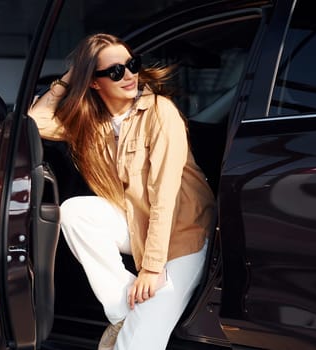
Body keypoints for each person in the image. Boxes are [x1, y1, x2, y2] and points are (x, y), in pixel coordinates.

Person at [28, 33, 216, 350]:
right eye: (115, 71)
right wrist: (72, 76)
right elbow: (35, 120)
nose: (129, 75)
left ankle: (132, 321)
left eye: (131, 65)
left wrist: (152, 269)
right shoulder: (93, 123)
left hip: (184, 232)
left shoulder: (159, 111)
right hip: (140, 225)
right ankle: (123, 312)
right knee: (74, 212)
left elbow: (164, 195)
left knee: (136, 344)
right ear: (94, 82)